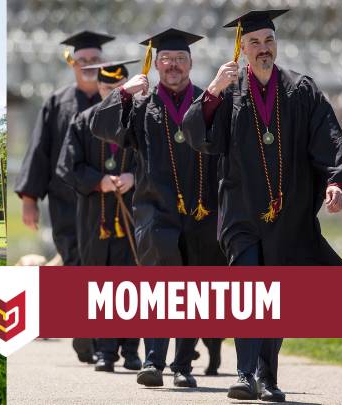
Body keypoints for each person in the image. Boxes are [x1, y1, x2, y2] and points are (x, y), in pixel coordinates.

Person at [182, 10, 342, 402]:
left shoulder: (300, 89)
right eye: (254, 42)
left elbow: (327, 135)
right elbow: (197, 137)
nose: (263, 49)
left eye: (268, 41)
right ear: (241, 48)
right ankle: (244, 374)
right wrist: (211, 93)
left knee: (274, 293)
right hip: (240, 211)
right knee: (247, 288)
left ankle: (268, 377)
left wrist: (336, 182)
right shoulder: (227, 91)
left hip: (286, 214)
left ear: (276, 44)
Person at [90, 28, 228, 389]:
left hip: (201, 212)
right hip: (154, 212)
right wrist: (122, 92)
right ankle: (153, 360)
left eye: (180, 59)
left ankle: (183, 366)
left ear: (191, 63)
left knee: (194, 292)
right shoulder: (141, 107)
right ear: (155, 64)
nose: (173, 65)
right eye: (166, 59)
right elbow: (100, 127)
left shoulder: (209, 101)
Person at [57, 59, 142, 373]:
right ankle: (106, 351)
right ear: (99, 88)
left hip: (131, 210)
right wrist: (98, 181)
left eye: (118, 88)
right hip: (95, 214)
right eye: (107, 88)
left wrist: (134, 176)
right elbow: (67, 166)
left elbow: (157, 163)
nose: (112, 93)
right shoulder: (82, 121)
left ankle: (131, 350)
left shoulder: (139, 119)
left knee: (131, 283)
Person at [14, 30, 115, 266]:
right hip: (66, 201)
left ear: (104, 64)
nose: (89, 66)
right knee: (73, 257)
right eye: (83, 61)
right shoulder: (57, 103)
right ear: (73, 64)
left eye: (95, 61)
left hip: (107, 199)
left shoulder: (114, 99)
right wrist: (30, 200)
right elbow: (40, 150)